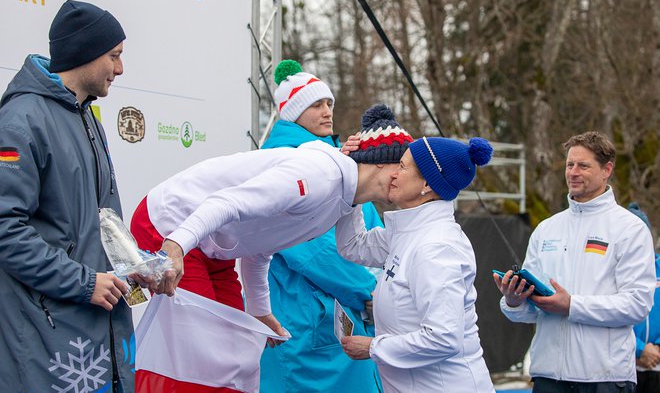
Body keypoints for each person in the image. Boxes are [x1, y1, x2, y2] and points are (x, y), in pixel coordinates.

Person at [132, 102, 413, 343]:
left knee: (232, 348)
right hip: (172, 224)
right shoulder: (318, 177)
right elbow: (228, 203)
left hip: (209, 245)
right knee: (199, 353)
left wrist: (259, 310)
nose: (407, 178)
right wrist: (176, 244)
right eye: (402, 167)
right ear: (380, 162)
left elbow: (263, 245)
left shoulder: (347, 200)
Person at [0, 0, 134, 391]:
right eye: (114, 56)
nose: (120, 69)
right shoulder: (21, 119)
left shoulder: (87, 116)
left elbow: (99, 221)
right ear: (85, 53)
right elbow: (5, 228)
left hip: (96, 329)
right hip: (47, 333)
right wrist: (82, 282)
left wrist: (133, 265)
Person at [493, 131, 655, 393]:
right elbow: (532, 309)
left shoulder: (630, 229)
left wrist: (572, 305)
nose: (573, 172)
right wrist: (514, 300)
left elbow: (637, 304)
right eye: (570, 165)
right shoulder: (546, 229)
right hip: (548, 377)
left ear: (607, 170)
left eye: (583, 165)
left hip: (604, 378)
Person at [260, 60, 385, 392]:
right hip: (307, 321)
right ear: (293, 113)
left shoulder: (334, 160)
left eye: (329, 102)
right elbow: (309, 248)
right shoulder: (283, 162)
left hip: (340, 316)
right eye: (316, 104)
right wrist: (368, 289)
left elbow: (366, 230)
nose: (327, 111)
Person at [337, 135, 496, 392]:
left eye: (402, 166)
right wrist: (353, 184)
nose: (392, 175)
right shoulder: (409, 233)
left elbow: (443, 338)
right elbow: (353, 245)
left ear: (426, 184)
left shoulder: (436, 248)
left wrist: (373, 347)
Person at [628, 202, 660, 393]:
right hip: (623, 365)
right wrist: (639, 349)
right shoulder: (610, 271)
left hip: (657, 365)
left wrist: (656, 350)